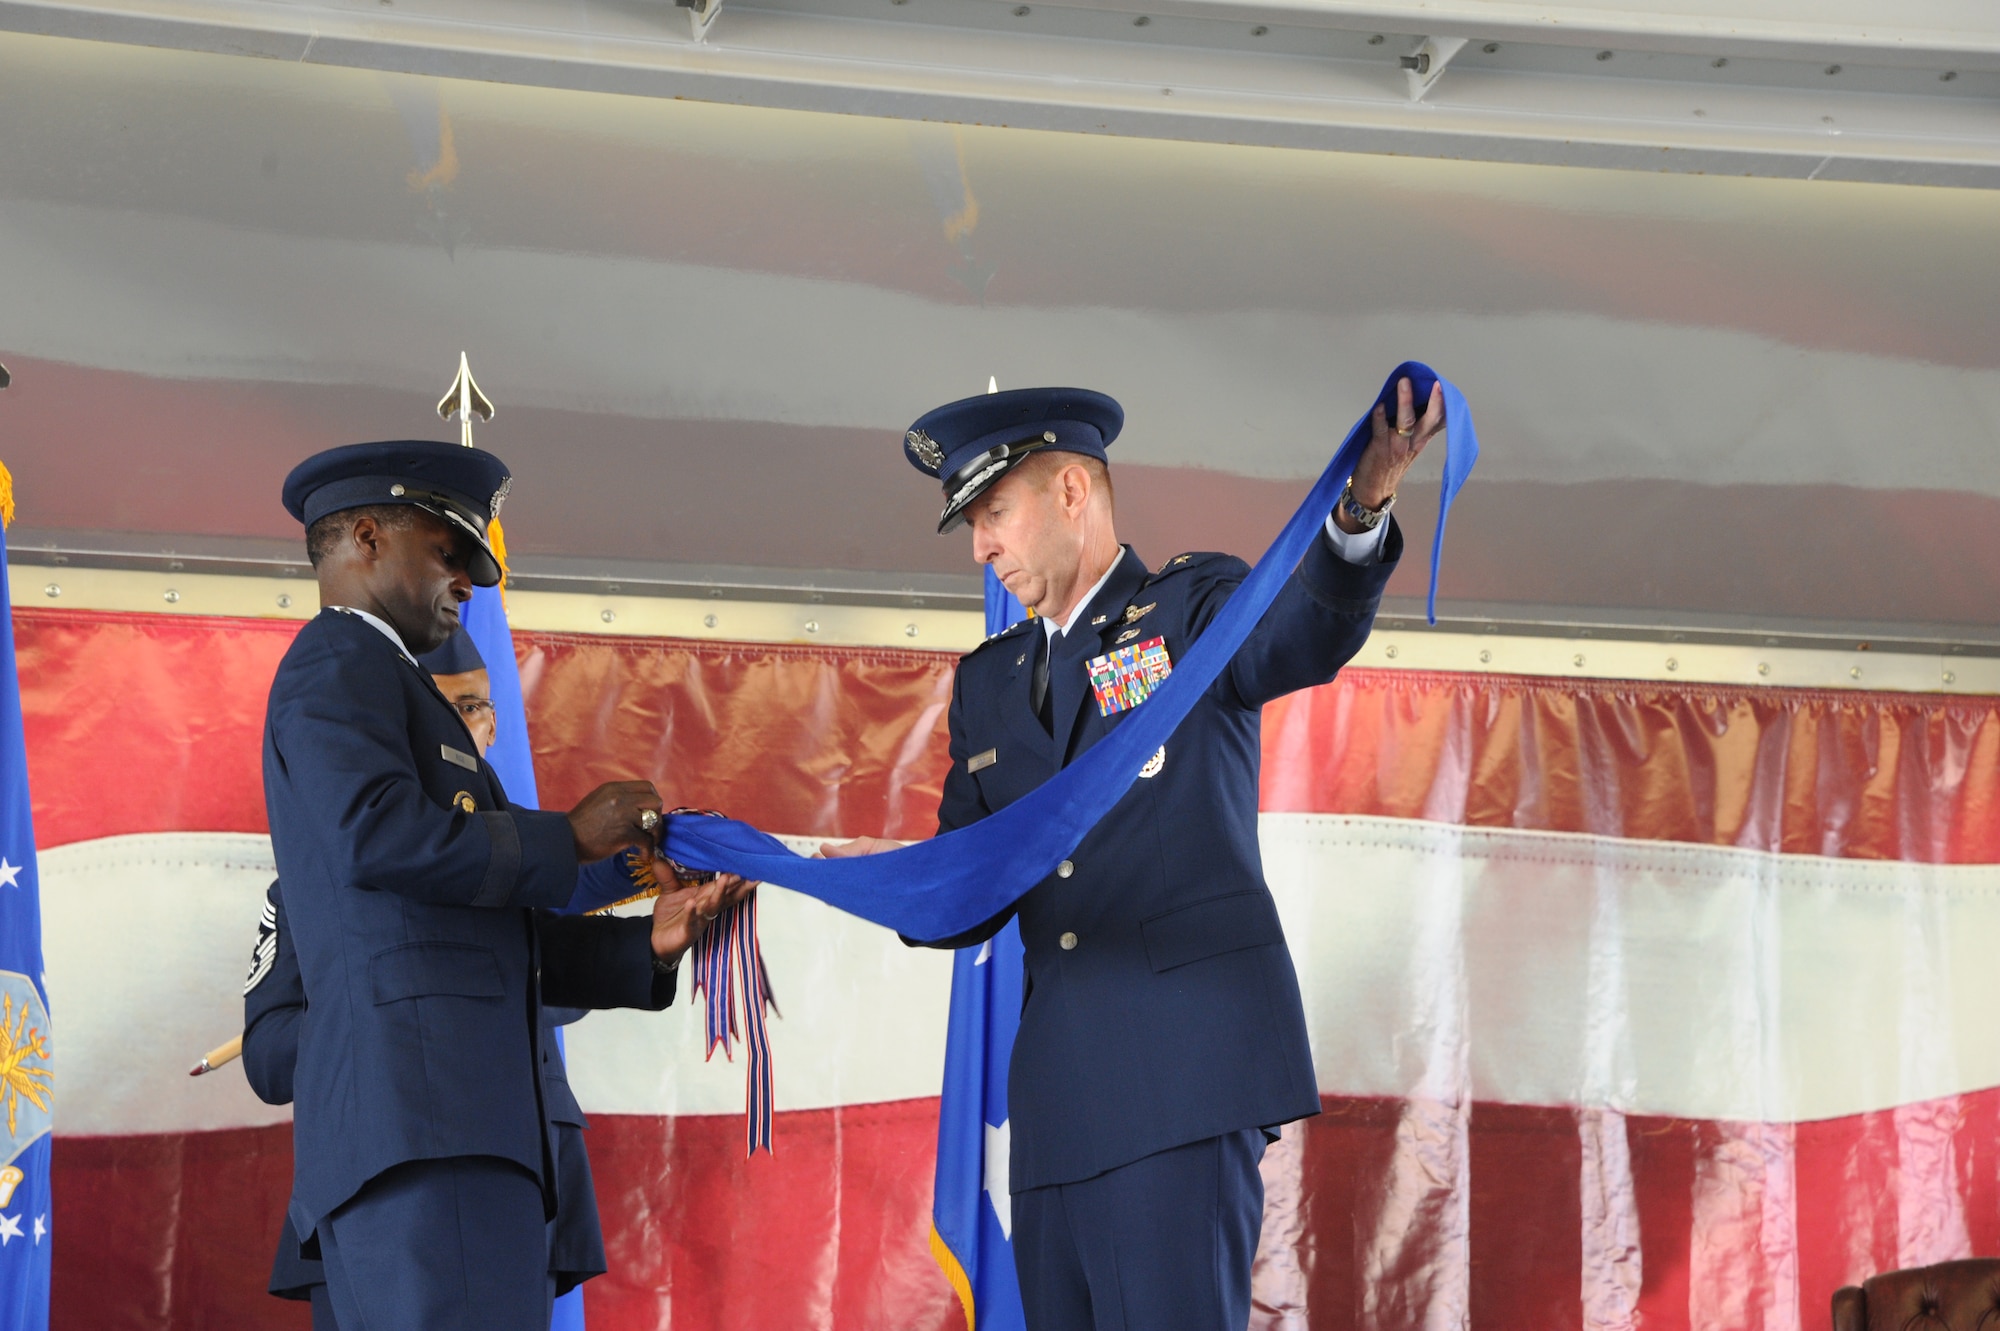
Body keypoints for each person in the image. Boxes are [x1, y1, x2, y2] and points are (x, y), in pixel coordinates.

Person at [825, 380, 1442, 1330]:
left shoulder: (1190, 609)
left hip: (1181, 1086)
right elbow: (960, 892)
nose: (982, 547)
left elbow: (1304, 634)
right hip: (1056, 1115)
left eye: (994, 512)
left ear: (1073, 492)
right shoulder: (988, 685)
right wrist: (806, 881)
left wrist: (1360, 508)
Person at [262, 439, 750, 1331]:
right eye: (447, 551)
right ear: (365, 538)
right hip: (425, 1136)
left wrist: (647, 939)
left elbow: (465, 930)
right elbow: (377, 836)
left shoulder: (394, 684)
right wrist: (565, 834)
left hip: (451, 1140)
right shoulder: (339, 662)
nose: (470, 583)